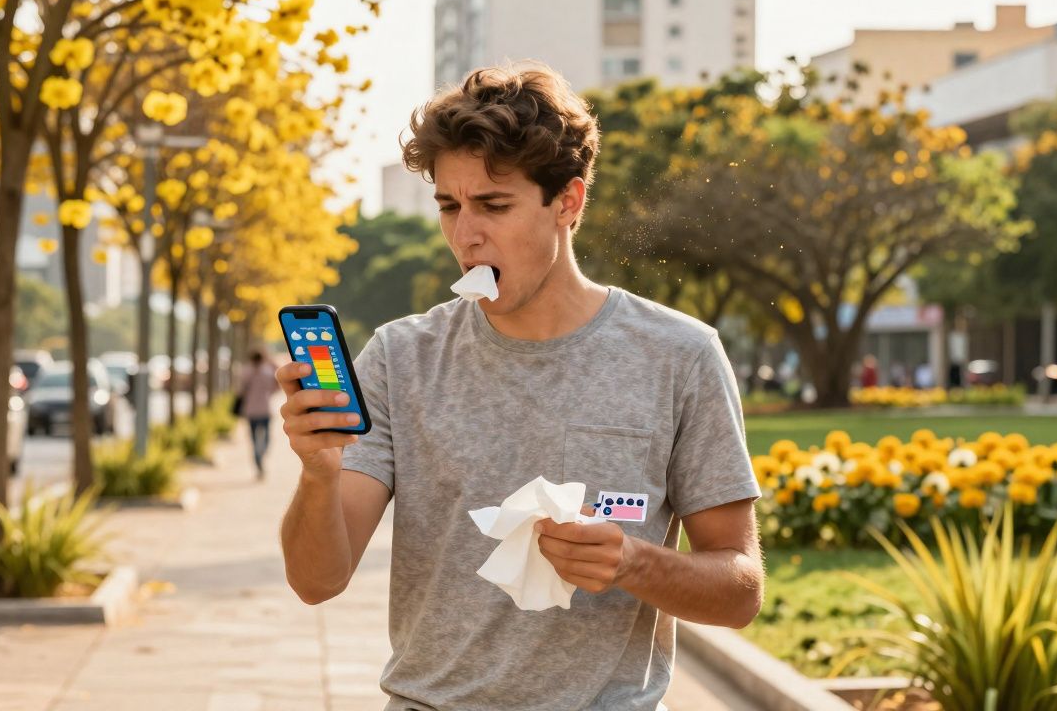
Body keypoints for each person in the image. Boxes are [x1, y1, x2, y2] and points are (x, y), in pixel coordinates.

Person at [277, 63, 764, 710]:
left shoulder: (679, 356)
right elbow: (317, 582)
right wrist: (318, 472)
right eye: (449, 205)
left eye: (493, 205)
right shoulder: (400, 356)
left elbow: (740, 591)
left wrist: (633, 562)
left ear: (568, 202)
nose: (465, 235)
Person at [238, 349, 279, 477]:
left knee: (254, 439)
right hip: (265, 409)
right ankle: (260, 454)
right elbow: (276, 386)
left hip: (250, 410)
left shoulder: (246, 371)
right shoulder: (267, 372)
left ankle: (257, 458)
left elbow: (240, 391)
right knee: (266, 438)